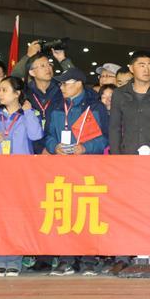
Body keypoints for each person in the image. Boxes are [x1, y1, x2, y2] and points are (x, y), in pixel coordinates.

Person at [43, 68, 109, 277]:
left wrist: (85, 148)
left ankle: (88, 260)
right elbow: (47, 135)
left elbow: (106, 137)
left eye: (65, 83)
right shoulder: (55, 106)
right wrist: (55, 147)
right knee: (64, 211)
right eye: (60, 84)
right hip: (62, 167)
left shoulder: (95, 107)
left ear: (79, 83)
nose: (61, 87)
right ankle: (65, 259)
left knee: (88, 211)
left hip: (88, 167)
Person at [0, 77, 43, 277]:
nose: (0, 93)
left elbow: (36, 135)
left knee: (17, 217)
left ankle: (14, 259)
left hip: (21, 173)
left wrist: (29, 111)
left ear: (17, 94)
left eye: (5, 90)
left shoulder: (28, 115)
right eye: (0, 90)